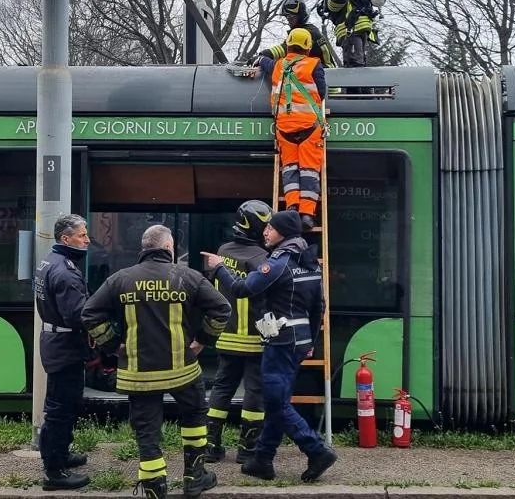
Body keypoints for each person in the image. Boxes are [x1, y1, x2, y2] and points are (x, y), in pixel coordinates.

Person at [81, 224, 231, 499]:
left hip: (139, 374)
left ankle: (153, 485)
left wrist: (113, 345)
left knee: (147, 428)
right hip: (182, 371)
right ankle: (194, 477)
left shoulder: (120, 279)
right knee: (195, 415)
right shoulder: (188, 277)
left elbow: (89, 313)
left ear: (143, 248)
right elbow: (222, 308)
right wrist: (202, 341)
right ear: (168, 247)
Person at [200, 209, 337, 483]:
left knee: (275, 403)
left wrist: (219, 268)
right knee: (278, 401)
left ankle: (317, 450)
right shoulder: (309, 261)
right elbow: (318, 306)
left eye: (270, 228)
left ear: (282, 233)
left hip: (281, 342)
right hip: (299, 342)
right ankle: (262, 460)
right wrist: (311, 341)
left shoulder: (278, 264)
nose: (266, 231)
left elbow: (241, 289)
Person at [204, 200, 273, 464]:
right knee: (255, 393)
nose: (268, 231)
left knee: (222, 388)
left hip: (226, 336)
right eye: (266, 226)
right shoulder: (264, 259)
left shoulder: (222, 252)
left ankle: (212, 446)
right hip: (255, 339)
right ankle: (247, 449)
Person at [33, 213, 93, 491]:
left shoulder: (49, 261)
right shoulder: (66, 271)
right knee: (61, 409)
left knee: (62, 405)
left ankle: (61, 455)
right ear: (65, 238)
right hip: (65, 347)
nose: (87, 240)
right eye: (82, 235)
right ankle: (54, 472)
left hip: (55, 342)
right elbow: (77, 315)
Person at [257, 28, 327, 231]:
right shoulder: (314, 65)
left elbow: (264, 62)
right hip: (309, 128)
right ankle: (306, 215)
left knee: (290, 170)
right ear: (307, 47)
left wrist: (259, 60)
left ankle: (291, 207)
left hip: (284, 129)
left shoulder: (278, 65)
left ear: (288, 45)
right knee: (309, 171)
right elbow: (321, 93)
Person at [256, 0, 337, 68]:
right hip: (323, 73)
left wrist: (263, 55)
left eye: (291, 16)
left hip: (327, 75)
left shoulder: (307, 32)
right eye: (287, 17)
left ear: (300, 15)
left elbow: (285, 49)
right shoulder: (308, 30)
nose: (288, 20)